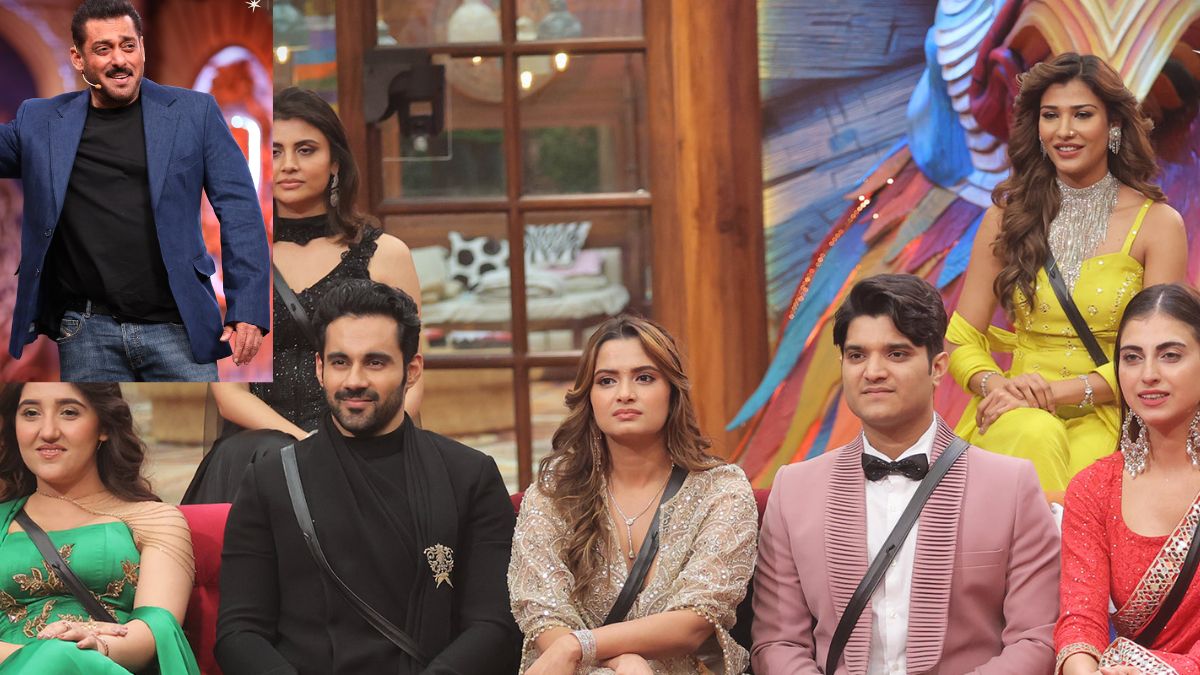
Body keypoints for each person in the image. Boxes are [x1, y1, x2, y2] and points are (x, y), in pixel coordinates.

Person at [751, 273, 1060, 674]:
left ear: (938, 368)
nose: (873, 371)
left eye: (896, 354)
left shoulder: (1010, 485)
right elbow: (777, 642)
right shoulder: (794, 490)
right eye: (857, 355)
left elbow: (1036, 639)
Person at [215, 279, 519, 674]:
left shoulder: (470, 476)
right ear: (320, 368)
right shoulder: (271, 481)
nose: (354, 380)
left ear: (412, 370)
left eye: (375, 362)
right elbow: (239, 633)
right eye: (340, 362)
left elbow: (494, 625)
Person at [948, 52, 1188, 500]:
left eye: (1082, 114)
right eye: (1050, 116)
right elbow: (960, 339)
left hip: (1107, 412)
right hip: (1013, 409)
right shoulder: (1006, 219)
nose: (1064, 130)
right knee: (1029, 431)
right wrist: (997, 386)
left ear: (1113, 125)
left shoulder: (1158, 225)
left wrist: (1054, 394)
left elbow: (1162, 357)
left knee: (1071, 465)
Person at [0, 0, 270, 381]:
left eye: (128, 45)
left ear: (142, 47)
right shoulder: (42, 122)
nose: (119, 60)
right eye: (103, 48)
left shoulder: (194, 114)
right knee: (103, 419)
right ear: (78, 58)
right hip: (87, 333)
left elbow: (240, 209)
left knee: (198, 416)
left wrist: (248, 308)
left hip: (179, 328)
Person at [185, 87, 423, 503]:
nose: (288, 165)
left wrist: (365, 443)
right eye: (274, 151)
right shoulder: (226, 256)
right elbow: (230, 393)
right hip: (257, 452)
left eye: (306, 150)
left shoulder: (386, 254)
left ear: (335, 163)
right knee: (267, 456)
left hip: (366, 444)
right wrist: (309, 447)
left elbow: (412, 376)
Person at [509, 315, 758, 674]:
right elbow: (543, 613)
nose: (624, 393)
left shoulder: (721, 490)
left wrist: (579, 645)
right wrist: (621, 662)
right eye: (607, 381)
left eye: (644, 378)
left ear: (672, 392)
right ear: (589, 397)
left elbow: (695, 620)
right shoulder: (553, 494)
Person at [0, 382, 197, 674]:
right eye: (31, 413)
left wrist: (97, 646)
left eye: (69, 412)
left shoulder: (156, 519)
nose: (48, 431)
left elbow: (157, 628)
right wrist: (50, 656)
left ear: (104, 426)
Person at [1055, 283, 1200, 673]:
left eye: (1170, 356)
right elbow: (1080, 619)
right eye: (1132, 357)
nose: (1148, 375)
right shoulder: (1093, 487)